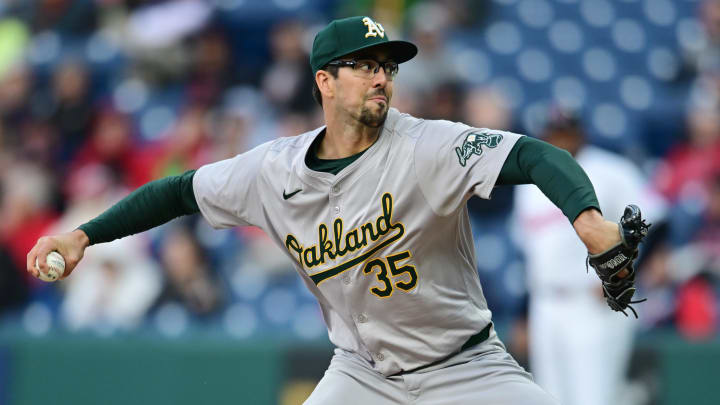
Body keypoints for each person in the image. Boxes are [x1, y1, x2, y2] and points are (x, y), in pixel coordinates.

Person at [28, 16, 637, 404]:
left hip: (466, 367)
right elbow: (176, 191)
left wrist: (586, 217)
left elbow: (535, 156)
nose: (382, 78)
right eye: (366, 66)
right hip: (362, 375)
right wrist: (85, 234)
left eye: (388, 67)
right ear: (324, 80)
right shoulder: (274, 170)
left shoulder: (427, 145)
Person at [513, 108, 665, 405]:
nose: (559, 138)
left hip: (594, 303)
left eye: (565, 131)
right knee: (549, 398)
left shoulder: (610, 170)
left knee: (594, 398)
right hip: (546, 303)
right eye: (553, 132)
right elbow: (531, 255)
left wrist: (626, 270)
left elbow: (656, 221)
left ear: (580, 132)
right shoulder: (530, 179)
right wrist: (524, 314)